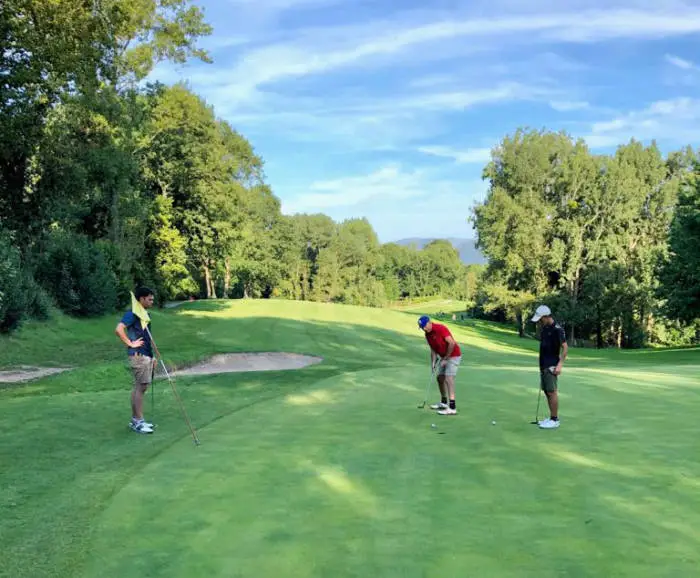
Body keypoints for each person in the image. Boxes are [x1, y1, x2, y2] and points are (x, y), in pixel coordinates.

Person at [115, 287, 157, 434]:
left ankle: (136, 420)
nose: (152, 301)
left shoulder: (144, 314)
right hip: (138, 355)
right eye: (149, 299)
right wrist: (130, 343)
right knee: (141, 387)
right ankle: (138, 422)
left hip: (145, 355)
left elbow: (147, 337)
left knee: (140, 387)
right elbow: (119, 329)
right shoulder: (132, 314)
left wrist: (153, 356)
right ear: (141, 299)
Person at [531, 304, 568, 429]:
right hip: (543, 365)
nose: (540, 321)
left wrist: (560, 365)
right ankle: (551, 417)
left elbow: (565, 348)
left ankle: (555, 419)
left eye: (541, 318)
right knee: (547, 392)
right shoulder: (545, 329)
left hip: (552, 365)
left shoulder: (558, 329)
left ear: (546, 316)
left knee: (552, 392)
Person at [418, 315, 462, 415]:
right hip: (443, 357)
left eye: (424, 326)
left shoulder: (441, 328)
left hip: (453, 355)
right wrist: (433, 363)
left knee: (448, 378)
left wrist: (446, 358)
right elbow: (433, 350)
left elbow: (452, 343)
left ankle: (452, 407)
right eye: (422, 328)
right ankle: (444, 402)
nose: (423, 329)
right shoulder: (427, 334)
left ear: (429, 322)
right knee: (440, 378)